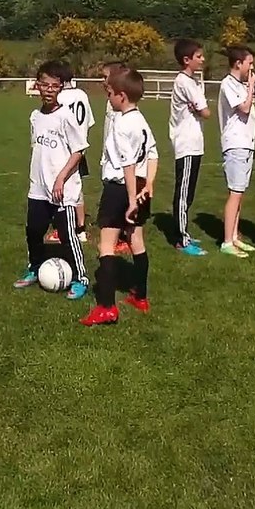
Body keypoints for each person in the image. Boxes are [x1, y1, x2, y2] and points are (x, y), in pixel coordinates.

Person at [83, 68, 158, 326]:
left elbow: (126, 164)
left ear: (122, 96)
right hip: (140, 184)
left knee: (106, 244)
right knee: (136, 239)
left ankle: (106, 307)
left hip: (120, 188)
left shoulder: (121, 123)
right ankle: (141, 296)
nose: (109, 98)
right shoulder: (141, 120)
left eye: (110, 93)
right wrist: (149, 184)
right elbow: (153, 154)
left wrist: (130, 199)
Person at [15, 61, 90, 298]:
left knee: (68, 235)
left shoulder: (66, 116)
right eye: (44, 85)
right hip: (38, 187)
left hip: (63, 189)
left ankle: (81, 277)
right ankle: (35, 267)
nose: (49, 90)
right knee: (33, 231)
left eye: (54, 86)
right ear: (37, 85)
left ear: (60, 89)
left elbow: (79, 151)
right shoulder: (35, 116)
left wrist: (60, 179)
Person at [166, 39, 210, 256]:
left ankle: (183, 232)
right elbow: (205, 112)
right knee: (183, 193)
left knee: (189, 192)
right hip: (185, 143)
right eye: (198, 56)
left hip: (195, 143)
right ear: (186, 60)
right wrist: (200, 109)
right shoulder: (183, 81)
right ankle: (181, 239)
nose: (202, 60)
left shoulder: (193, 82)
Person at [218, 46, 255, 258]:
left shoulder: (240, 85)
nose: (251, 67)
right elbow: (243, 108)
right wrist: (251, 87)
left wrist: (249, 87)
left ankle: (234, 235)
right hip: (235, 143)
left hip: (246, 142)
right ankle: (226, 241)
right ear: (238, 64)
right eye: (249, 63)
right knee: (235, 192)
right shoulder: (228, 84)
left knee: (240, 192)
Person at [49, 63, 95, 245]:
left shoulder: (59, 97)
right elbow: (89, 121)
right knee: (77, 188)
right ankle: (80, 229)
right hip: (80, 147)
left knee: (60, 187)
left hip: (63, 149)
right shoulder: (82, 94)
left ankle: (62, 228)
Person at [101, 61, 133, 256]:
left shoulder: (120, 105)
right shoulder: (110, 101)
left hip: (120, 162)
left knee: (119, 198)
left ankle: (122, 235)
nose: (102, 80)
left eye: (105, 77)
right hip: (109, 157)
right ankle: (119, 233)